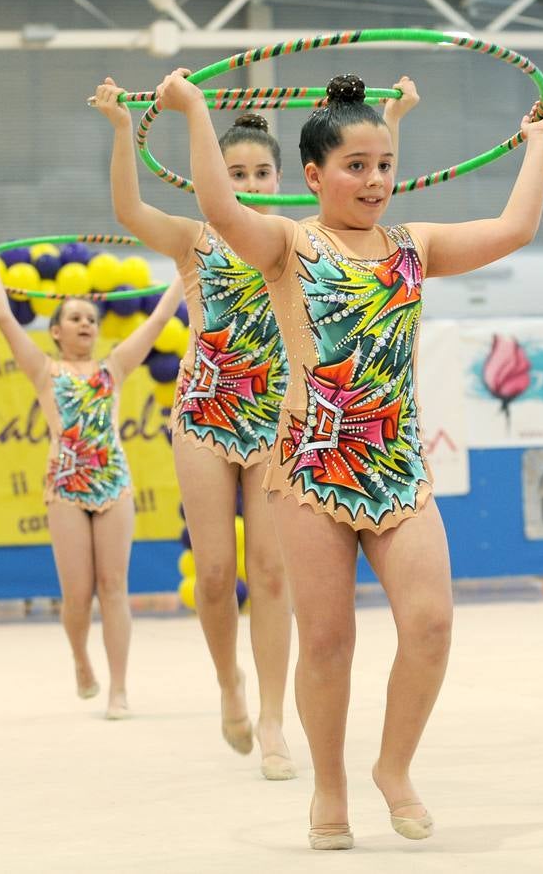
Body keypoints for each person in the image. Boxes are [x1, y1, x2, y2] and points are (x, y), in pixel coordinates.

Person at [153, 67, 543, 847]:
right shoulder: (286, 244)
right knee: (329, 641)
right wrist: (196, 111)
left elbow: (513, 230)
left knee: (431, 624)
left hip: (395, 468)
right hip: (309, 468)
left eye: (382, 165)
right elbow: (216, 206)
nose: (374, 181)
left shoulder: (416, 246)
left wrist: (537, 144)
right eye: (355, 166)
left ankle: (393, 769)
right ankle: (329, 788)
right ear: (313, 175)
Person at [92, 75, 418, 779]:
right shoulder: (195, 239)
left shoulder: (295, 238)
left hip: (279, 416)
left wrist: (389, 120)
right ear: (212, 172)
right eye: (234, 171)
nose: (247, 181)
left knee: (271, 574)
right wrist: (125, 131)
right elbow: (125, 206)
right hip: (208, 414)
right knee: (214, 576)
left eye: (260, 171)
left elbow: (369, 201)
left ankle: (273, 718)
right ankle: (228, 686)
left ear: (286, 178)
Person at [0, 243, 183, 720]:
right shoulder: (44, 370)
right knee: (77, 593)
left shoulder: (114, 368)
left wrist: (184, 267)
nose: (86, 323)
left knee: (114, 586)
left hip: (113, 484)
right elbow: (5, 321)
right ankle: (82, 660)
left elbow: (157, 322)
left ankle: (119, 689)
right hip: (65, 486)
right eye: (75, 317)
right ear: (56, 330)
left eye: (92, 317)